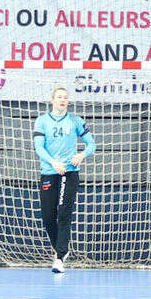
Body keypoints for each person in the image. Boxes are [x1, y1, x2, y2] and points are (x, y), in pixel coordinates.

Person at [33, 85, 96, 273]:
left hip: (69, 172)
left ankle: (59, 258)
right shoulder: (42, 121)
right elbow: (39, 148)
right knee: (47, 217)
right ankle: (61, 249)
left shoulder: (75, 121)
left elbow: (91, 144)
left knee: (64, 214)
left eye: (65, 97)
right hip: (50, 171)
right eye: (59, 97)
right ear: (52, 100)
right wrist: (53, 163)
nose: (62, 100)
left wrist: (81, 155)